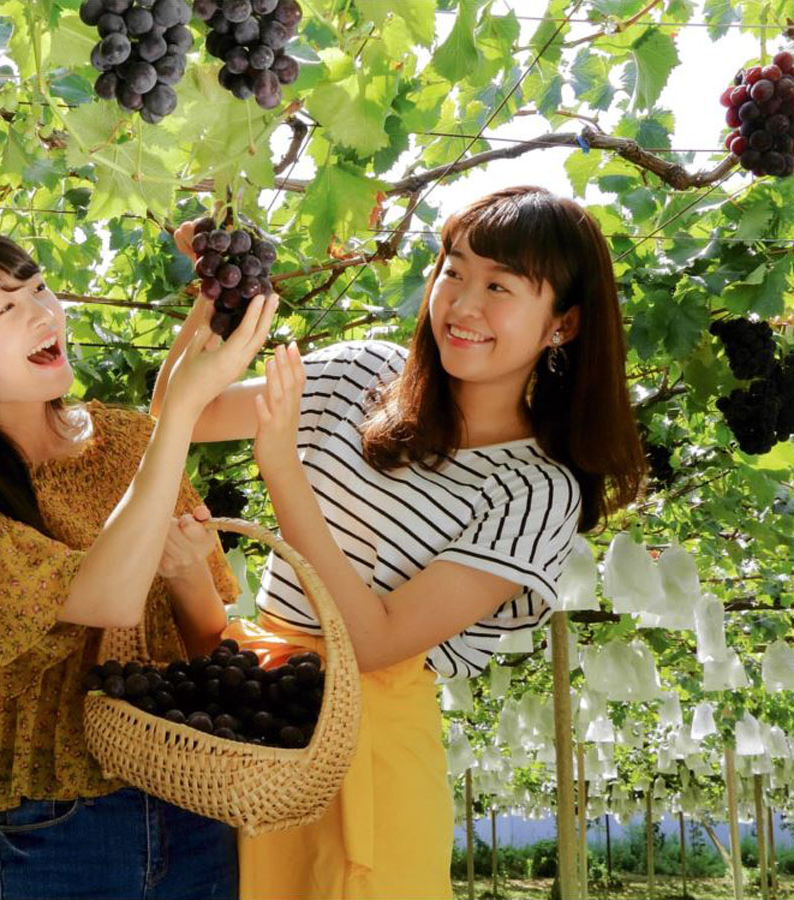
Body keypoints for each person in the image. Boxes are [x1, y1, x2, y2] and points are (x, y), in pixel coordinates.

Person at [153, 186, 647, 898]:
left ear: (562, 324)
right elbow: (179, 413)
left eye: (500, 286)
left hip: (374, 759)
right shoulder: (362, 374)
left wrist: (283, 469)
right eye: (454, 270)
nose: (463, 304)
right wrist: (218, 287)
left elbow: (376, 641)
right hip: (252, 724)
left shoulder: (536, 490)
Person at [0, 226, 278, 900]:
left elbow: (210, 640)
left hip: (193, 801)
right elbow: (107, 596)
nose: (41, 311)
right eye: (3, 307)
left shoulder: (125, 439)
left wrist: (183, 574)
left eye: (37, 287)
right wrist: (177, 411)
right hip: (59, 829)